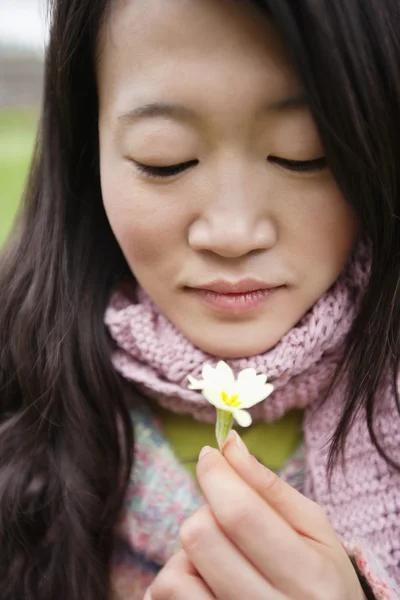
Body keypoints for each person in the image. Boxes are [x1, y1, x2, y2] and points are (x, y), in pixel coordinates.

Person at [0, 0, 399, 598]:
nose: (233, 233)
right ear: (89, 153)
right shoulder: (18, 402)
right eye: (167, 161)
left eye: (304, 154)